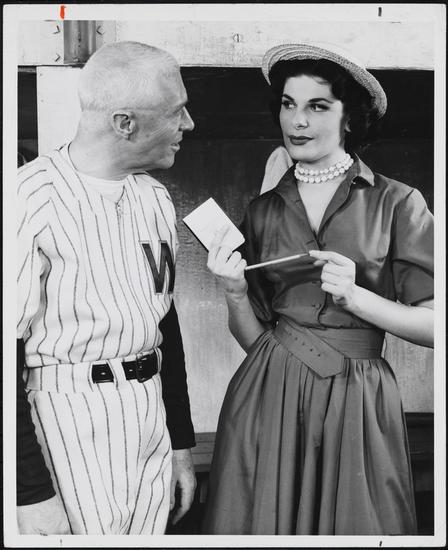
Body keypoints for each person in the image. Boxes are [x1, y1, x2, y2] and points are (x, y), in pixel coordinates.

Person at [203, 42, 434, 535]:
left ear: (351, 118)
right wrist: (235, 294)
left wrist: (357, 298)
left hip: (358, 397)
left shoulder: (398, 202)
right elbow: (255, 341)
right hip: (267, 393)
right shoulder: (262, 210)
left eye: (318, 106)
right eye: (289, 104)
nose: (298, 120)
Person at [16, 41, 197, 535]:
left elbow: (165, 325)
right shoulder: (28, 198)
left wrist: (180, 444)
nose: (188, 123)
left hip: (148, 415)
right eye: (177, 111)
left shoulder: (155, 198)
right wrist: (29, 494)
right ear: (125, 123)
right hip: (67, 420)